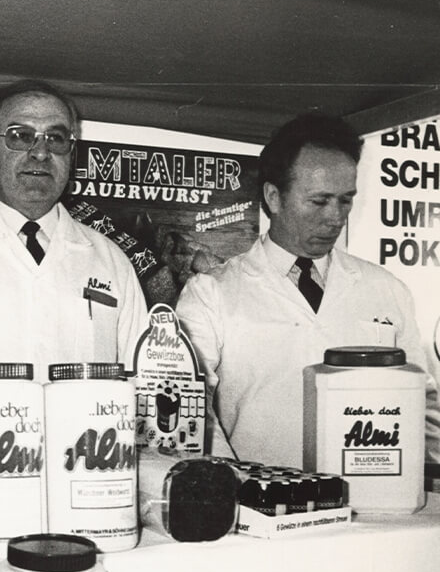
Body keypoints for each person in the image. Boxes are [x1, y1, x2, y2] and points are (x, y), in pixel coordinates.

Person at [176, 112, 440, 466]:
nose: (336, 217)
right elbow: (191, 407)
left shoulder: (386, 289)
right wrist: (232, 483)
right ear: (273, 196)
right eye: (319, 201)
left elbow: (422, 404)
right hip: (259, 506)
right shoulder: (211, 293)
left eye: (346, 200)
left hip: (374, 510)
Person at [0, 79, 148, 374]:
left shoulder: (112, 262)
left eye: (56, 138)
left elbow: (142, 382)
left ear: (71, 154)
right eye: (21, 136)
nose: (40, 153)